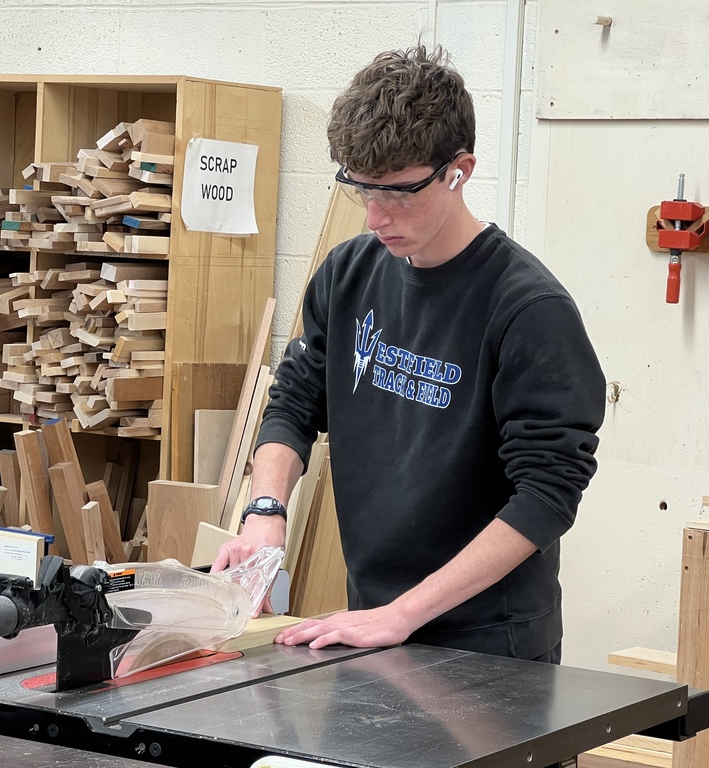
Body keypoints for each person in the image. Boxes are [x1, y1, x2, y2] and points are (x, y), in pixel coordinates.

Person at [211, 45, 605, 663]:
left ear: (459, 170)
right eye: (361, 191)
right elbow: (294, 401)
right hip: (370, 620)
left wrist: (404, 614)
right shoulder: (347, 276)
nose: (374, 217)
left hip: (487, 642)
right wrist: (265, 513)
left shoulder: (529, 309)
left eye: (397, 193)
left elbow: (547, 494)